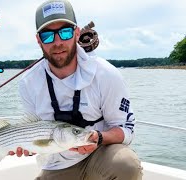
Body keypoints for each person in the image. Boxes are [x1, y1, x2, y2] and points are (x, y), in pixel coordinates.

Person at [9, 0, 142, 179]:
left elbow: (126, 129)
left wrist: (98, 138)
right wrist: (27, 146)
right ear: (38, 40)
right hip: (56, 165)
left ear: (76, 33)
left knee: (126, 165)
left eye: (64, 32)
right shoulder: (28, 83)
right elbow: (33, 131)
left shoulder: (106, 74)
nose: (57, 42)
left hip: (99, 156)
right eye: (48, 36)